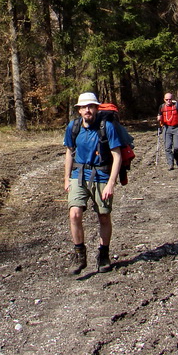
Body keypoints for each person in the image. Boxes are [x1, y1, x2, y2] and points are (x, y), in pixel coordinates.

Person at [63, 92, 123, 275]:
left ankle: (103, 254)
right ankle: (79, 255)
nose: (87, 110)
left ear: (97, 108)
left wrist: (112, 182)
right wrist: (66, 178)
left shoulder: (107, 127)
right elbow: (68, 151)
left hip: (102, 175)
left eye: (91, 106)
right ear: (79, 110)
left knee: (103, 216)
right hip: (79, 175)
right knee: (74, 214)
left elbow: (117, 154)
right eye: (84, 107)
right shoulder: (73, 127)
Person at [157, 93, 178, 170]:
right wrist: (158, 118)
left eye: (170, 99)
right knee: (168, 147)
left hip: (176, 128)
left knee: (177, 146)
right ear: (164, 99)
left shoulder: (177, 106)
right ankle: (170, 164)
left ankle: (176, 157)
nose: (168, 101)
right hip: (166, 128)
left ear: (172, 99)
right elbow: (159, 116)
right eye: (166, 99)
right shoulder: (161, 107)